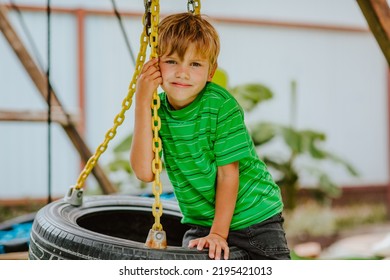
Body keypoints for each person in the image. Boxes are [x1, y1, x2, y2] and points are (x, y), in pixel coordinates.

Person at [130, 12, 290, 260]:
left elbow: (228, 174)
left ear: (210, 72)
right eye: (172, 61)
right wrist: (142, 101)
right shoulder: (156, 109)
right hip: (202, 221)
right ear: (156, 65)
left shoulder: (220, 106)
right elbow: (144, 172)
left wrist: (218, 234)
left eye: (195, 64)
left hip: (253, 217)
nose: (183, 73)